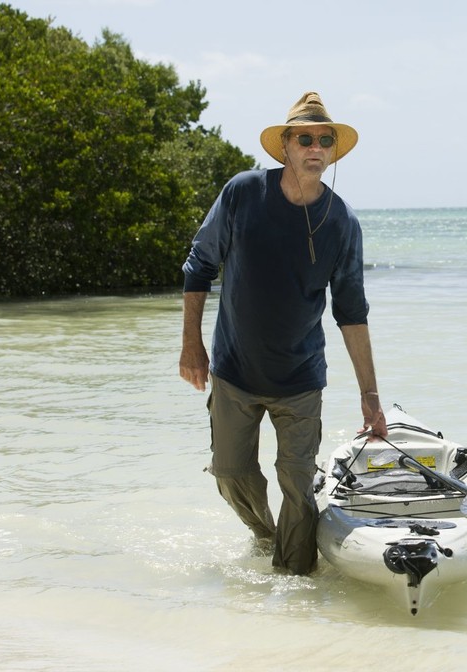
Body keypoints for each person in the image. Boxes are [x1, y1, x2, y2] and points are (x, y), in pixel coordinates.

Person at [179, 91, 387, 575]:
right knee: (230, 475)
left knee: (296, 483)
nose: (316, 147)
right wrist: (191, 344)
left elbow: (351, 312)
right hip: (233, 371)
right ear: (287, 146)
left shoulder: (342, 222)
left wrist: (370, 396)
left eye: (325, 140)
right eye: (306, 138)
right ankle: (266, 536)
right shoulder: (243, 194)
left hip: (300, 379)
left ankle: (295, 588)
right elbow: (199, 266)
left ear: (332, 150)